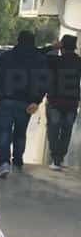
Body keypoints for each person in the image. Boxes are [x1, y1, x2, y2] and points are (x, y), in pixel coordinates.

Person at [0, 30, 50, 178]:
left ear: (18, 40)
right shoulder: (39, 59)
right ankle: (17, 161)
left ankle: (4, 163)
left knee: (4, 132)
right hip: (26, 103)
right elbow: (44, 81)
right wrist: (37, 101)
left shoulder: (7, 56)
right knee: (20, 133)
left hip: (6, 100)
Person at [43, 35, 80, 170]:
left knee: (53, 129)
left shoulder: (54, 61)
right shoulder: (78, 61)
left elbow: (38, 54)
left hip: (55, 101)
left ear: (61, 47)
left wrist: (52, 47)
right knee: (67, 130)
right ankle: (60, 158)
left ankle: (55, 158)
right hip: (72, 102)